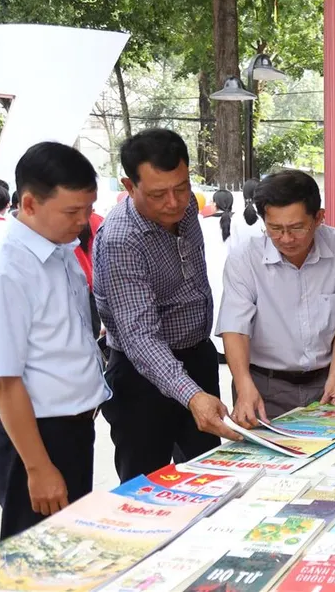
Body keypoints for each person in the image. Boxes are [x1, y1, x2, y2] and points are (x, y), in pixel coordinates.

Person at [0, 142, 110, 539]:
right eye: (71, 211)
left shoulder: (60, 252)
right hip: (33, 440)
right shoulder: (2, 272)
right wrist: (38, 467)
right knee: (36, 565)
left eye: (88, 208)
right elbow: (5, 380)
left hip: (72, 432)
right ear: (29, 203)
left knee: (68, 555)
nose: (84, 221)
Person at [94, 128, 239, 482]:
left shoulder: (187, 205)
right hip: (139, 375)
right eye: (158, 194)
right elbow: (140, 337)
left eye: (182, 186)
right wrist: (191, 396)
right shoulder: (120, 240)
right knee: (146, 484)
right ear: (129, 187)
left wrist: (198, 385)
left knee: (207, 475)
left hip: (197, 357)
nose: (174, 203)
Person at [217, 170, 335, 422]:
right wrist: (244, 387)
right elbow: (235, 328)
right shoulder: (244, 259)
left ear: (319, 217)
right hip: (262, 386)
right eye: (274, 228)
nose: (286, 239)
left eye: (297, 228)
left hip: (321, 384)